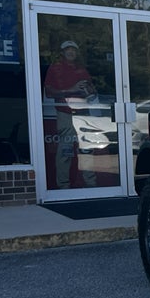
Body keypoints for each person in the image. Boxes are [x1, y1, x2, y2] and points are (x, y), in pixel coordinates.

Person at [44, 40, 97, 188]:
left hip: (83, 113)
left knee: (86, 148)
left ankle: (91, 184)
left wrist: (89, 90)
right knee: (65, 150)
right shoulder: (55, 68)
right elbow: (49, 92)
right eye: (68, 49)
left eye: (73, 49)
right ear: (62, 52)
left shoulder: (81, 70)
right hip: (65, 112)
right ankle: (63, 186)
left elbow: (92, 91)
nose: (71, 52)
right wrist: (71, 90)